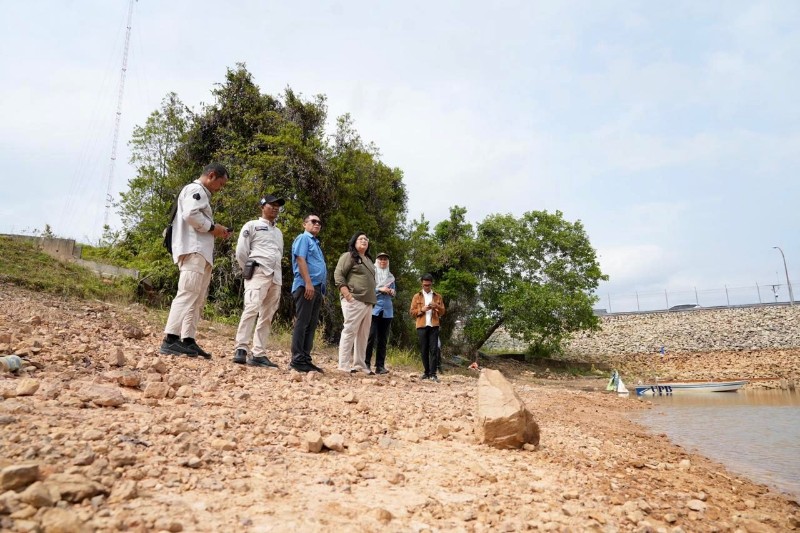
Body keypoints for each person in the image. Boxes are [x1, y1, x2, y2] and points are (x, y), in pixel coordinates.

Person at [159, 163, 232, 358]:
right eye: (221, 183)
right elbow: (191, 214)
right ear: (211, 175)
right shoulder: (195, 189)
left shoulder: (201, 194)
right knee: (188, 292)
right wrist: (212, 228)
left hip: (201, 252)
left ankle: (188, 339)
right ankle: (170, 339)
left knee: (197, 298)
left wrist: (216, 229)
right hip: (193, 250)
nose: (220, 188)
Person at [232, 194, 286, 368]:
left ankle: (258, 352)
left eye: (278, 206)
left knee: (267, 315)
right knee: (251, 308)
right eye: (272, 204)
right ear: (262, 206)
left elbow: (280, 254)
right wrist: (248, 270)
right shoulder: (252, 226)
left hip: (275, 276)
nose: (276, 208)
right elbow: (241, 251)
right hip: (258, 271)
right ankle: (241, 348)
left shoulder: (278, 232)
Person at [334, 232, 377, 374]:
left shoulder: (369, 260)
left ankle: (360, 364)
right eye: (361, 239)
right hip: (354, 299)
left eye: (366, 239)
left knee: (363, 335)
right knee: (350, 331)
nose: (364, 240)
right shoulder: (348, 256)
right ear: (354, 242)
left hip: (368, 302)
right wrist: (347, 294)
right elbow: (339, 274)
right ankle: (343, 364)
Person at [289, 214, 327, 373]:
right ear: (304, 224)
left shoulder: (315, 243)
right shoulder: (303, 239)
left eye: (319, 221)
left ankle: (305, 358)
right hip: (306, 286)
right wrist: (308, 283)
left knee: (311, 325)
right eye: (313, 221)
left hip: (316, 287)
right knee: (303, 322)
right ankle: (297, 359)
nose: (317, 223)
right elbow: (300, 259)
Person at [409, 273, 446, 381]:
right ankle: (426, 372)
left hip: (434, 325)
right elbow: (411, 312)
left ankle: (433, 374)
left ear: (431, 284)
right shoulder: (417, 296)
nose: (427, 287)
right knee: (424, 350)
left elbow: (443, 311)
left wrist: (436, 306)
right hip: (421, 325)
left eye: (428, 285)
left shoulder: (437, 296)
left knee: (434, 350)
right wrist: (422, 310)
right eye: (425, 285)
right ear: (422, 284)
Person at [365, 252, 395, 374]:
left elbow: (394, 291)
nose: (383, 261)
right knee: (370, 337)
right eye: (381, 259)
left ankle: (380, 366)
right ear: (377, 261)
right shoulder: (372, 273)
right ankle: (366, 363)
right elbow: (367, 288)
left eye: (385, 260)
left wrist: (392, 291)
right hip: (373, 309)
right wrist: (379, 289)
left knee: (383, 339)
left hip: (387, 310)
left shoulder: (391, 276)